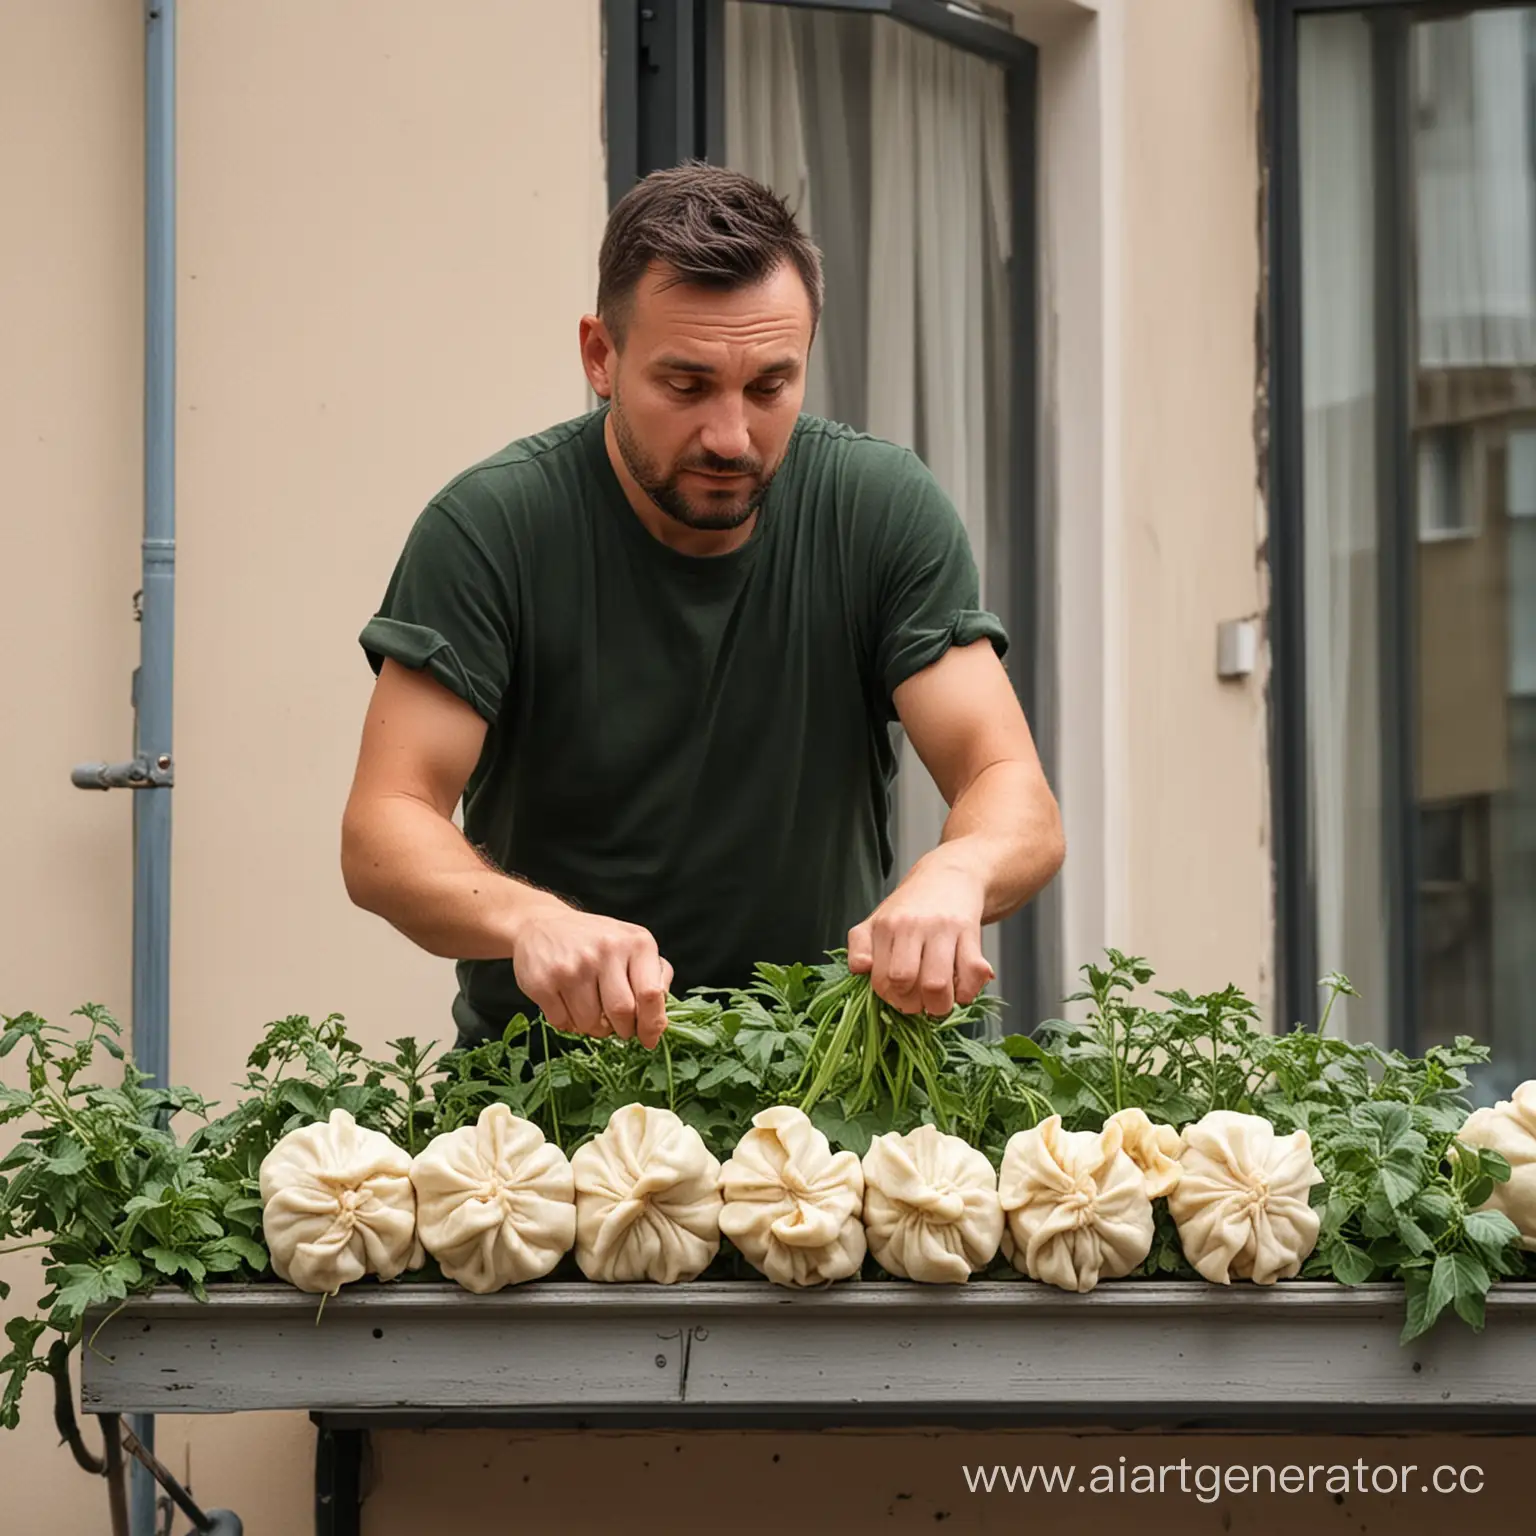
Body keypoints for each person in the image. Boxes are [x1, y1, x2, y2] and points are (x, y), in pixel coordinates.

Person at [341, 162, 1064, 1056]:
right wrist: (528, 921)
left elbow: (1012, 789)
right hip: (548, 1103)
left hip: (826, 1093)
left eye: (770, 387)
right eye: (685, 386)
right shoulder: (493, 527)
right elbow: (384, 828)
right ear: (600, 357)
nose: (731, 437)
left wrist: (959, 871)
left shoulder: (880, 509)